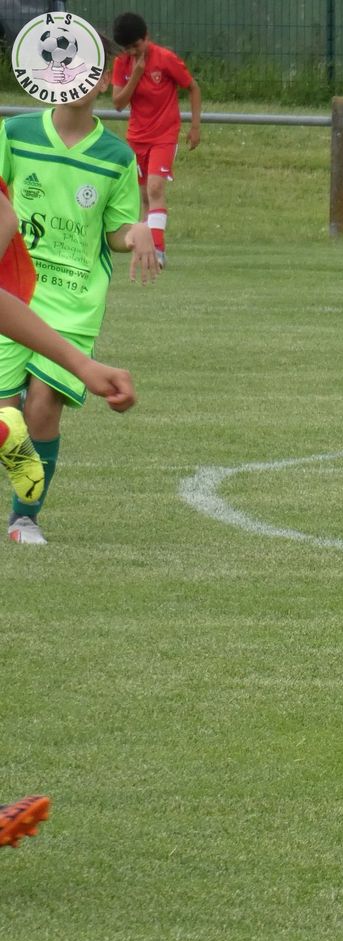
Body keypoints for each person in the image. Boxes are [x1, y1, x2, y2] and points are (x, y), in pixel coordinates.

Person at [2, 71, 159, 546]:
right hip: (14, 291)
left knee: (44, 403)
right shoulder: (14, 133)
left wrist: (138, 232)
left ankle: (24, 518)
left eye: (89, 69)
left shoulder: (117, 156)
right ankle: (21, 461)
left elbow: (116, 231)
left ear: (103, 82)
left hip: (74, 300)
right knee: (7, 416)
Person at [110, 10, 201, 267]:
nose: (132, 52)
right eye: (127, 48)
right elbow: (118, 103)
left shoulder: (165, 59)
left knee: (155, 188)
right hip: (137, 138)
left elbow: (193, 87)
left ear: (146, 36)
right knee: (144, 197)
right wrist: (136, 75)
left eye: (136, 46)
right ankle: (149, 249)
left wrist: (195, 127)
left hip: (164, 136)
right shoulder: (123, 64)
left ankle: (158, 250)